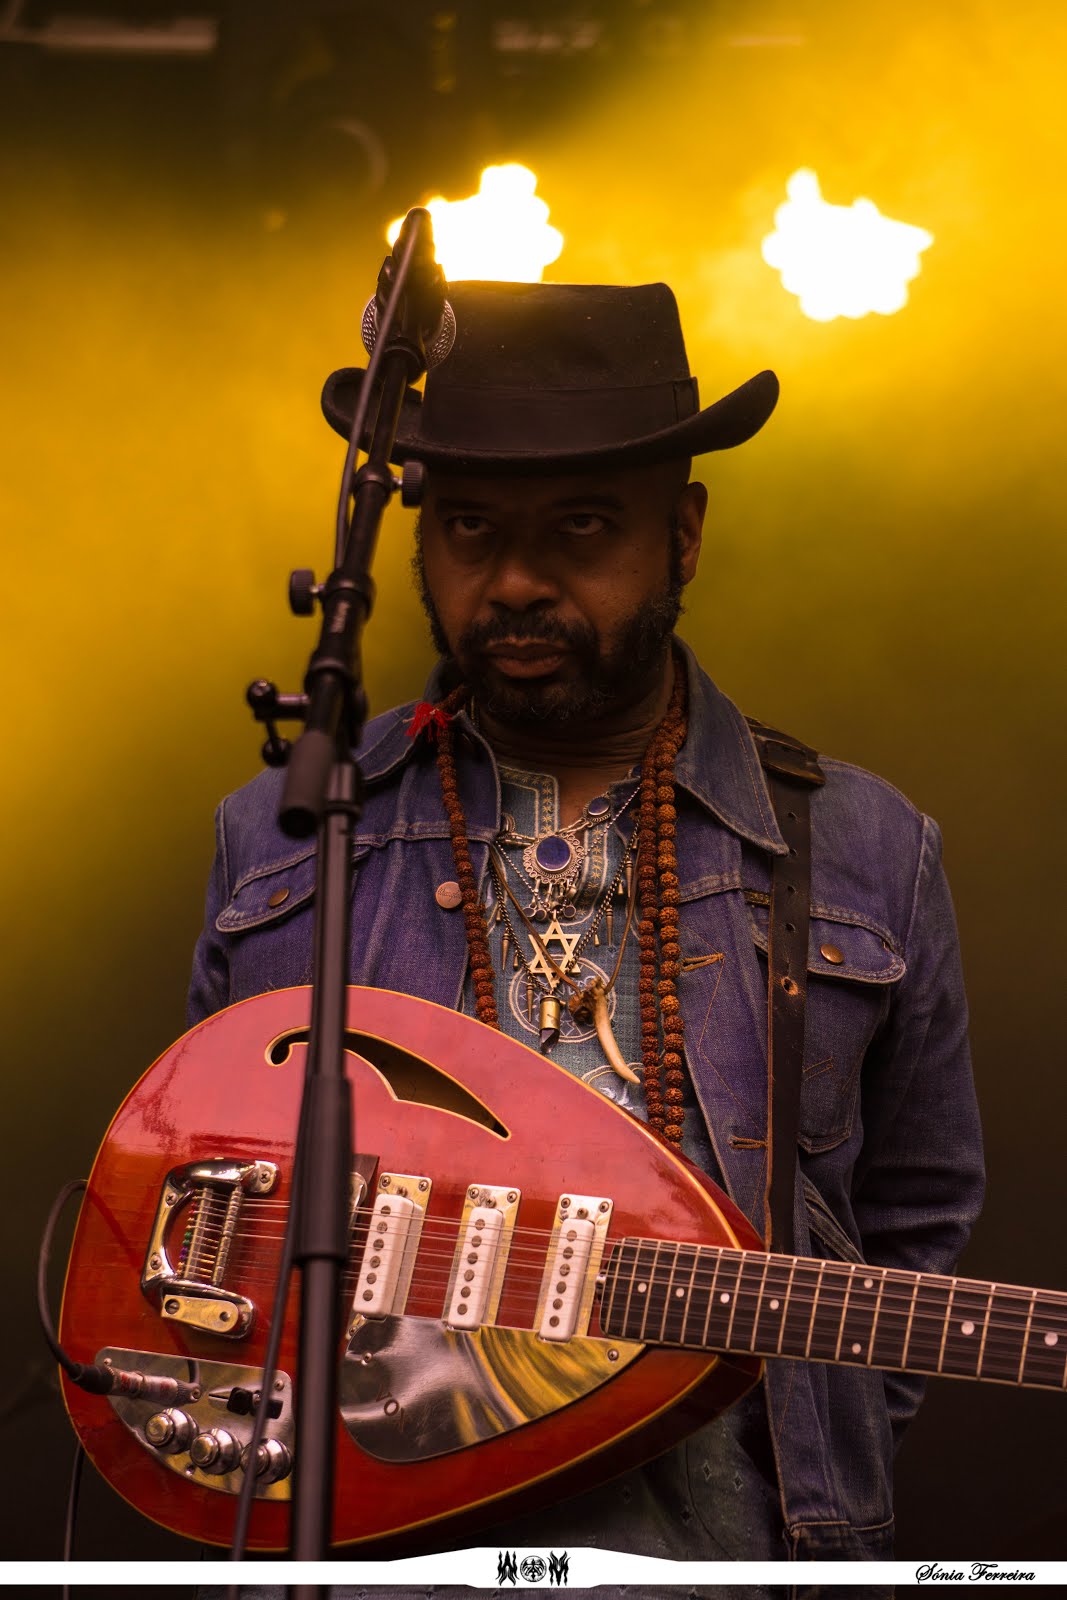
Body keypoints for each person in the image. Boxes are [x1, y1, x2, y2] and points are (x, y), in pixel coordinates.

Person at [187, 281, 984, 1574]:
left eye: (582, 526)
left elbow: (912, 1225)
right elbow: (204, 1187)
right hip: (369, 1551)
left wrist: (815, 1477)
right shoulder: (286, 834)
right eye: (469, 527)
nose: (514, 580)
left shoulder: (866, 849)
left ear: (684, 534)